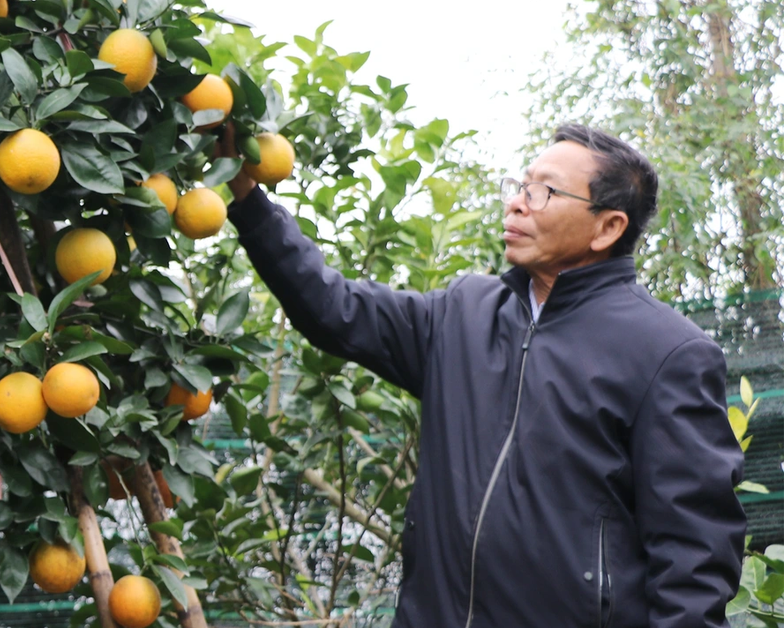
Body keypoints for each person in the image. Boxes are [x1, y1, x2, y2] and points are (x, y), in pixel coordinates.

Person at [221, 123, 746, 628]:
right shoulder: (463, 314)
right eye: (520, 185)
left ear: (607, 227)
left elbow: (694, 556)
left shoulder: (665, 352)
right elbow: (332, 307)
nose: (517, 201)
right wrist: (247, 196)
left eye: (544, 192)